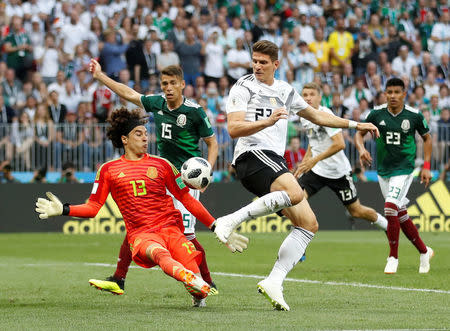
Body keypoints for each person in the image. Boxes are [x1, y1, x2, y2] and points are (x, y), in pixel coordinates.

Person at [213, 40, 378, 311]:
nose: (257, 66)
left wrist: (356, 124)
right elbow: (233, 128)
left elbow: (318, 117)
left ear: (276, 64)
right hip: (251, 155)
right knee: (295, 192)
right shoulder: (243, 86)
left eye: (263, 62)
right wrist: (267, 122)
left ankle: (274, 281)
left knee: (309, 224)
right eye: (254, 61)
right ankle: (229, 221)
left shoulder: (285, 90)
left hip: (272, 161)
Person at [35, 108, 247, 307]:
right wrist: (63, 209)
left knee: (200, 293)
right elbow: (93, 207)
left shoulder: (162, 165)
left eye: (146, 133)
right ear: (124, 139)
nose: (145, 137)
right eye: (138, 134)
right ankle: (187, 276)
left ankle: (195, 284)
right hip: (141, 235)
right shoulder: (108, 170)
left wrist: (215, 225)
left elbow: (187, 199)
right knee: (158, 253)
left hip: (171, 231)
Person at [87, 60, 220, 296]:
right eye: (164, 83)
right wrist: (100, 76)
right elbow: (128, 93)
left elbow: (212, 143)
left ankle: (208, 281)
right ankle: (119, 278)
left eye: (172, 84)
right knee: (139, 226)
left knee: (187, 236)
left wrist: (206, 173)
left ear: (182, 85)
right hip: (160, 177)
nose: (167, 88)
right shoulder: (157, 103)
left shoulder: (195, 111)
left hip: (186, 182)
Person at [355, 78, 434, 274]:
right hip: (384, 171)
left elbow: (427, 138)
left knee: (390, 208)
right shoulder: (376, 113)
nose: (392, 96)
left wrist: (426, 166)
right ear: (385, 93)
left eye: (397, 92)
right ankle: (424, 251)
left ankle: (393, 257)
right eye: (389, 92)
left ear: (404, 94)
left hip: (404, 169)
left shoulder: (414, 115)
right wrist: (361, 148)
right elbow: (359, 132)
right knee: (400, 214)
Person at [295, 83, 388, 231]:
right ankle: (299, 250)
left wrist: (313, 160)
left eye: (312, 95)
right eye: (305, 95)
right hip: (317, 171)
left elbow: (340, 144)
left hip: (338, 172)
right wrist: (305, 161)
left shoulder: (326, 115)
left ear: (320, 97)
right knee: (297, 201)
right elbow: (313, 142)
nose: (308, 98)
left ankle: (388, 227)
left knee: (356, 211)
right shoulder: (304, 116)